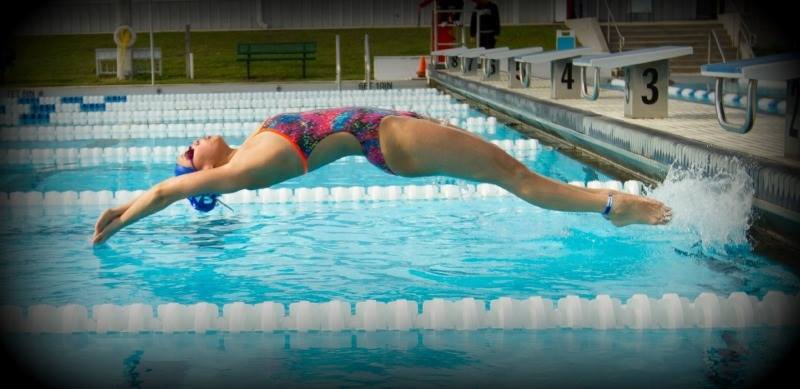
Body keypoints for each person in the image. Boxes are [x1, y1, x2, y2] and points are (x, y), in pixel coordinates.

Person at [92, 107, 671, 244]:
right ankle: (613, 207)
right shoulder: (241, 170)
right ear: (208, 170)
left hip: (389, 131)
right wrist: (120, 217)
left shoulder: (247, 145)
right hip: (386, 139)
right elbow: (169, 190)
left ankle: (613, 205)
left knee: (510, 172)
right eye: (191, 152)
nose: (193, 144)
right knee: (514, 175)